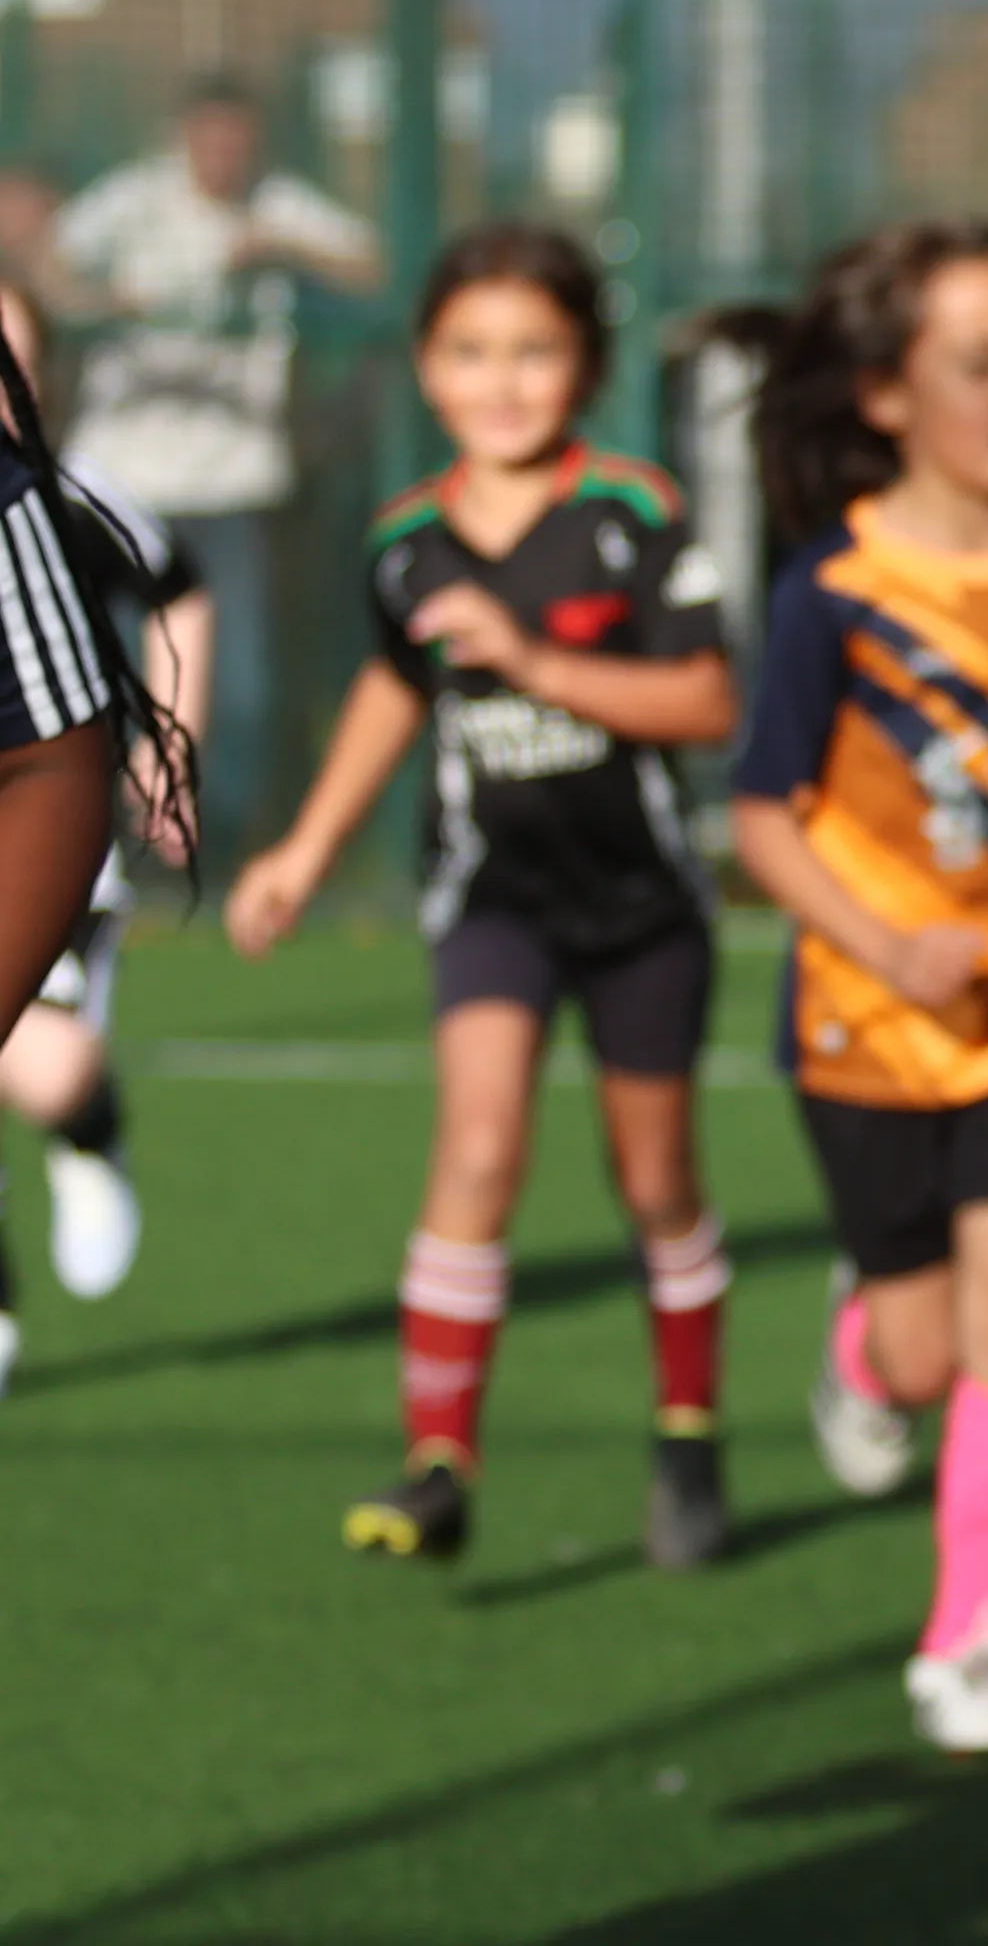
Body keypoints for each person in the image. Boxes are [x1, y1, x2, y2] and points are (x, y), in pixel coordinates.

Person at [221, 223, 737, 1569]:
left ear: (585, 368)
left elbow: (703, 698)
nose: (501, 381)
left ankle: (687, 1434)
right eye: (469, 352)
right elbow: (398, 686)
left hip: (639, 907)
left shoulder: (632, 515)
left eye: (534, 352)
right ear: (425, 368)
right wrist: (305, 848)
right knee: (477, 1150)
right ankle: (439, 1458)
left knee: (657, 1179)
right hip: (493, 898)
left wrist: (536, 663)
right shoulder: (406, 543)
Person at [723, 217, 988, 1757]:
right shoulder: (831, 594)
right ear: (889, 393)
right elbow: (761, 816)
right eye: (981, 363)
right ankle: (861, 1342)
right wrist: (887, 943)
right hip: (868, 1024)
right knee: (923, 1351)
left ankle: (970, 1646)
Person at [59, 73, 381, 855]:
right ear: (182, 136)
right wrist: (111, 301)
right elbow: (49, 273)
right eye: (210, 137)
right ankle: (118, 847)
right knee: (125, 683)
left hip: (233, 493)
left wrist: (280, 246)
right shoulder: (132, 202)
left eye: (239, 140)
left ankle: (211, 844)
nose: (224, 155)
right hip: (127, 490)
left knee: (238, 693)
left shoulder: (279, 207)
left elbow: (372, 271)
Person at [0, 282, 207, 1374]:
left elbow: (182, 593)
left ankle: (92, 1128)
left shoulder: (67, 501)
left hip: (35, 829)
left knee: (46, 1069)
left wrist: (170, 743)